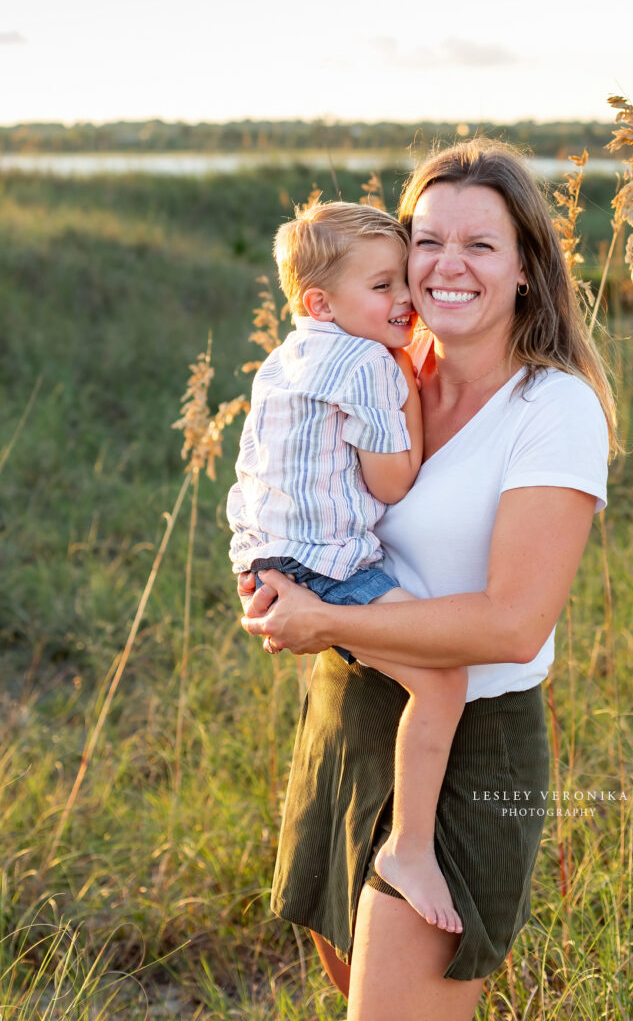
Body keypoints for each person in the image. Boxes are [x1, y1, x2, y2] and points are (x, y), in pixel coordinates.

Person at [239, 139, 616, 1021]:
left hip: (470, 742)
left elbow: (512, 625)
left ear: (526, 268)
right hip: (351, 715)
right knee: (353, 996)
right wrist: (271, 582)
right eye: (427, 239)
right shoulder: (381, 369)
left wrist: (322, 618)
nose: (447, 265)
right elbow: (295, 496)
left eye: (480, 245)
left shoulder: (552, 409)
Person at [227, 200, 467, 934]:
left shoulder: (282, 359)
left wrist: (252, 562)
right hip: (332, 569)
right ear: (319, 302)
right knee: (443, 679)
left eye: (403, 281)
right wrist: (410, 397)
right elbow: (393, 483)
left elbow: (250, 470)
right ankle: (410, 849)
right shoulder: (369, 362)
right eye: (383, 287)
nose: (404, 301)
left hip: (269, 560)